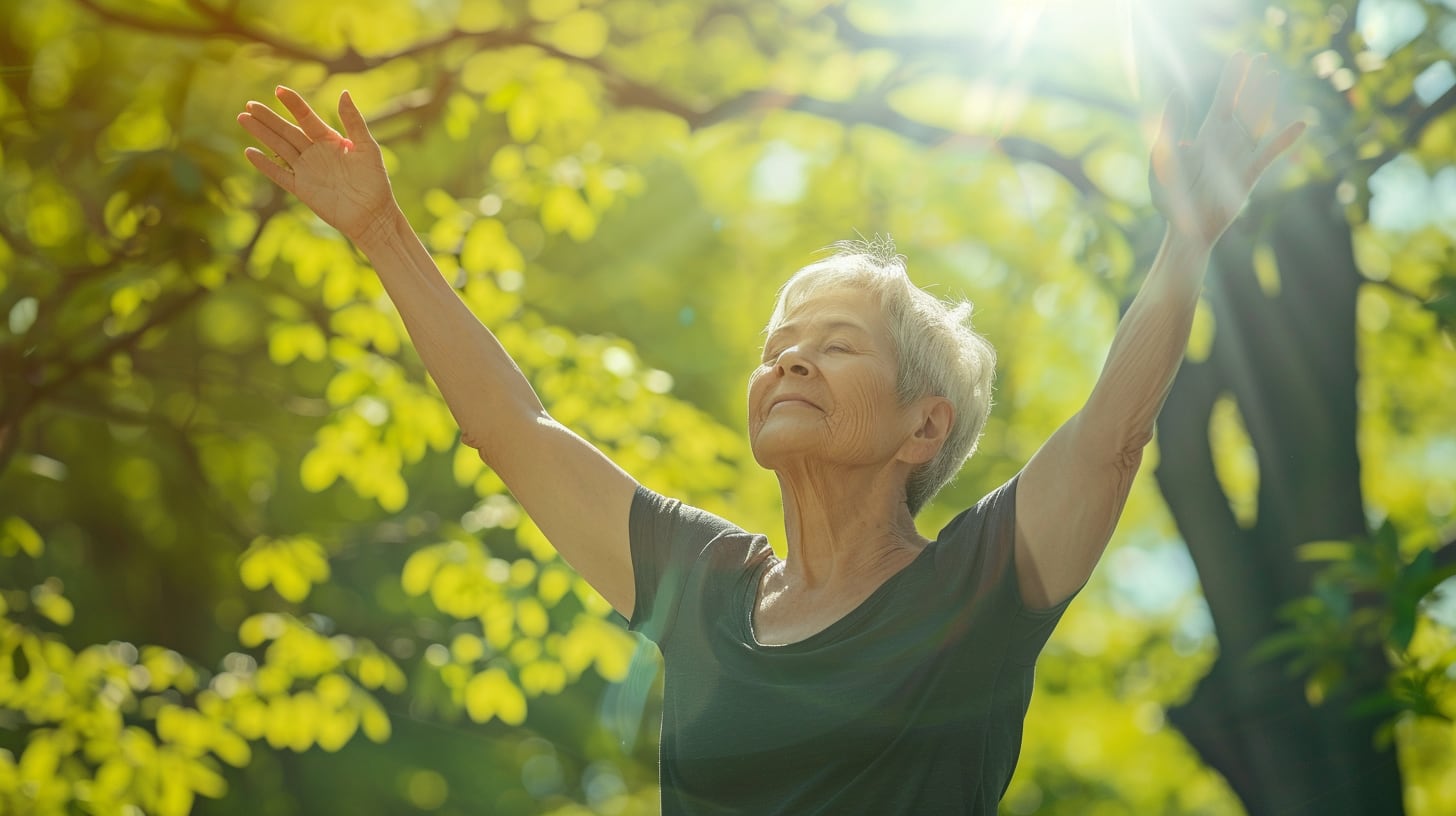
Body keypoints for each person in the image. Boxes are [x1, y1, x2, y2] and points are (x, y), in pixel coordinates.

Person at [237, 51, 1303, 814]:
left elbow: (1112, 435)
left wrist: (1186, 237)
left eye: (835, 345)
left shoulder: (975, 591)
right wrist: (380, 233)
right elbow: (516, 430)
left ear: (920, 426)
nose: (787, 359)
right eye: (779, 342)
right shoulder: (703, 585)